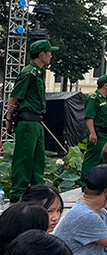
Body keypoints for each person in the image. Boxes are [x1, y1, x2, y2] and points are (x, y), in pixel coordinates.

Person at [5, 39, 56, 202]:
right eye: (49, 52)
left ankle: (37, 190)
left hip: (36, 121)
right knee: (24, 157)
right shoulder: (29, 72)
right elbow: (14, 97)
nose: (51, 55)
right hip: (27, 122)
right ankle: (18, 193)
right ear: (42, 55)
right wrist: (8, 119)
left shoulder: (39, 72)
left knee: (37, 158)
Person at [81, 74, 107, 184]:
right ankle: (86, 183)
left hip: (106, 134)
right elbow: (89, 117)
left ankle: (98, 182)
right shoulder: (94, 99)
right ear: (105, 85)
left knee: (103, 159)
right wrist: (92, 132)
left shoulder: (106, 99)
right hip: (98, 132)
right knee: (93, 158)